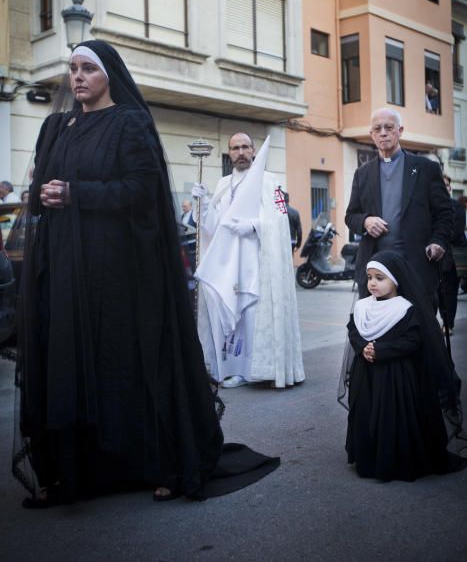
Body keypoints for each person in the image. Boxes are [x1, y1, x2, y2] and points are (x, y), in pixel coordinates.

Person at [13, 40, 279, 508]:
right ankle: (76, 471)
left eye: (87, 69)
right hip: (64, 268)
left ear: (108, 76)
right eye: (72, 69)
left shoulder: (130, 124)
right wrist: (47, 195)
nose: (77, 77)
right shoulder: (55, 127)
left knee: (125, 361)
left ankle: (160, 461)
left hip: (116, 270)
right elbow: (36, 190)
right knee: (70, 362)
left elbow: (141, 191)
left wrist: (77, 194)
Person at [193, 132, 305, 389]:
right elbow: (212, 227)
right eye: (235, 148)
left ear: (254, 151)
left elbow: (280, 219)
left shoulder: (270, 182)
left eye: (245, 147)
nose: (240, 152)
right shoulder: (223, 184)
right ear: (229, 152)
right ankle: (231, 368)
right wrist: (202, 203)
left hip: (258, 262)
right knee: (229, 314)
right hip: (229, 264)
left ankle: (253, 369)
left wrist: (254, 226)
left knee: (252, 315)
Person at [343, 250, 466, 481]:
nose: (372, 283)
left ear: (396, 279)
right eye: (370, 277)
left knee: (391, 417)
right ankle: (369, 457)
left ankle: (392, 459)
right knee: (367, 413)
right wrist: (363, 348)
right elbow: (353, 330)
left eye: (380, 278)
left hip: (394, 378)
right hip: (366, 376)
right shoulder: (363, 307)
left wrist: (380, 351)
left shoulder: (406, 309)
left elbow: (412, 341)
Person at [345, 108, 452, 302]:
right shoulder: (362, 173)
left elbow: (445, 213)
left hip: (417, 267)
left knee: (417, 329)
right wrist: (366, 221)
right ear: (372, 134)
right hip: (376, 270)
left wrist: (438, 241)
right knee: (378, 331)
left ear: (400, 130)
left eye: (389, 127)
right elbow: (351, 216)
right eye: (377, 128)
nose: (383, 132)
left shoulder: (426, 168)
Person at [438, 175, 467, 334]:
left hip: (452, 258)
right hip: (434, 260)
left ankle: (448, 324)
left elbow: (456, 232)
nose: (446, 187)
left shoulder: (457, 207)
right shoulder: (431, 206)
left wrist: (437, 237)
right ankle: (441, 322)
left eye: (448, 185)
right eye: (443, 185)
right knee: (437, 293)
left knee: (449, 293)